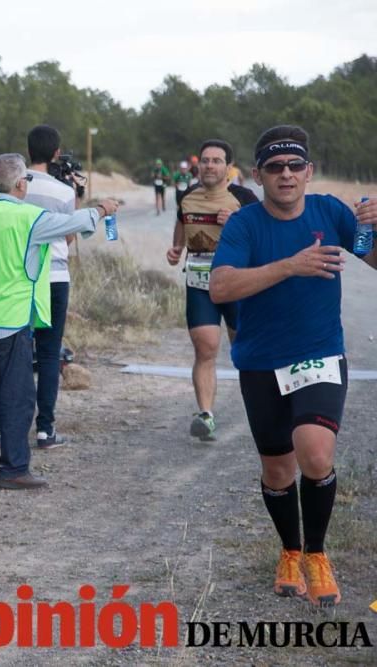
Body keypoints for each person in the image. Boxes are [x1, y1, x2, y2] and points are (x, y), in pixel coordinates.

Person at [209, 124, 377, 607]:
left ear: (309, 171)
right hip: (261, 360)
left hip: (320, 353)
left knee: (316, 452)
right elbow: (220, 288)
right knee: (278, 471)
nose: (286, 175)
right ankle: (290, 550)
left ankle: (318, 555)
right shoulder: (245, 224)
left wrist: (372, 227)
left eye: (295, 166)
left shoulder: (330, 212)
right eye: (275, 168)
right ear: (259, 175)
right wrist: (290, 265)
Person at [0, 153, 119, 490]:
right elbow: (72, 223)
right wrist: (102, 209)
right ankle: (13, 469)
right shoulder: (29, 218)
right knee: (18, 396)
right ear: (20, 184)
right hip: (9, 321)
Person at [0, 125, 78, 449]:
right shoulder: (65, 192)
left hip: (15, 276)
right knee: (50, 355)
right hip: (54, 277)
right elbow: (68, 236)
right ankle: (45, 429)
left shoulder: (13, 186)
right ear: (55, 153)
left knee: (10, 353)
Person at [166, 139, 258, 440]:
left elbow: (263, 233)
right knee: (205, 348)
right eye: (205, 160)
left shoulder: (243, 198)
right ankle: (205, 414)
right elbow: (182, 221)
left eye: (216, 161)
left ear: (228, 167)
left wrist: (238, 222)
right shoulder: (187, 196)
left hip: (235, 282)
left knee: (244, 350)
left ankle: (262, 408)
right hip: (199, 281)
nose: (209, 165)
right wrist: (177, 247)